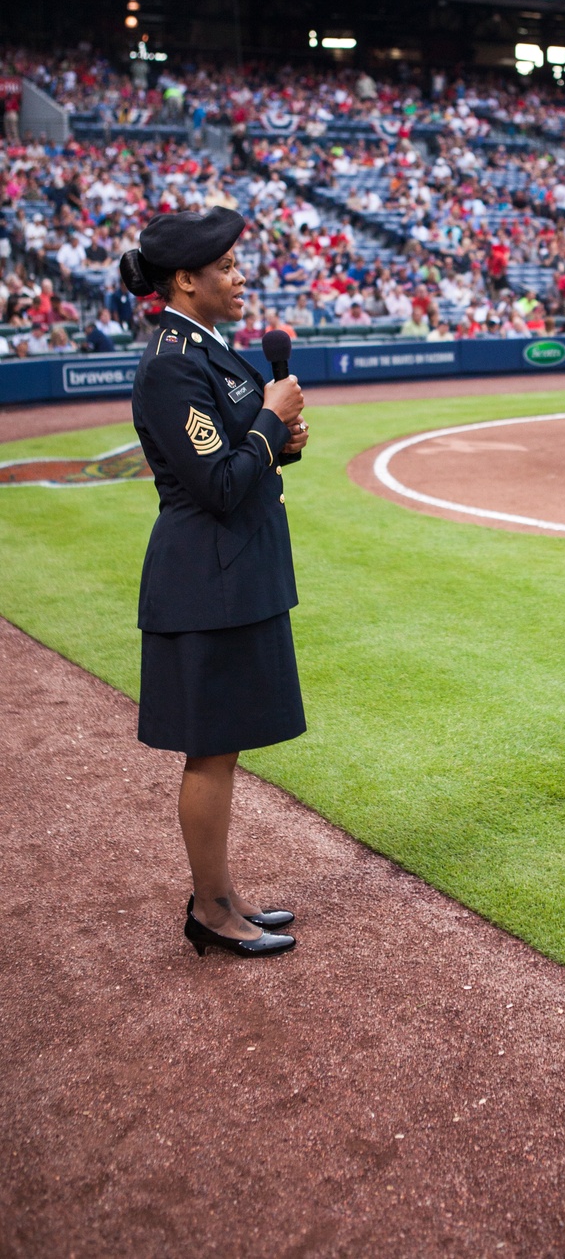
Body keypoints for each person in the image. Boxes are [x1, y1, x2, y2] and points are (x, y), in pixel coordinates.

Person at [121, 206, 309, 960]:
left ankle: (224, 897)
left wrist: (277, 442)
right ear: (186, 280)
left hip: (229, 573)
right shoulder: (171, 361)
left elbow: (237, 455)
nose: (239, 277)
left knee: (224, 748)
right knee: (210, 752)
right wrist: (269, 423)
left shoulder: (201, 348)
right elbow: (219, 483)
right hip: (207, 580)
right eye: (226, 268)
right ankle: (209, 909)